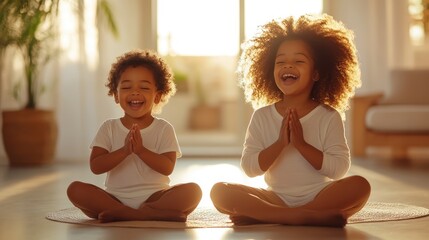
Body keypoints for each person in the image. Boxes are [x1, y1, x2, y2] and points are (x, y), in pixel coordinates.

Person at [210, 14, 371, 228]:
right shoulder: (262, 116)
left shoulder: (328, 116)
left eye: (298, 61)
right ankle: (299, 216)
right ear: (270, 70)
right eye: (281, 62)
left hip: (319, 196)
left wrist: (301, 145)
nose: (288, 66)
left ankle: (270, 215)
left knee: (360, 186)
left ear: (316, 73)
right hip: (274, 198)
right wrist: (280, 144)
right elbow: (249, 168)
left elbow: (339, 169)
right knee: (220, 191)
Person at [67, 49, 202, 223]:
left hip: (155, 197)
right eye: (126, 87)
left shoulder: (163, 128)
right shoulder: (109, 128)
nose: (135, 92)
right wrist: (124, 151)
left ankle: (132, 213)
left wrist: (140, 151)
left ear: (157, 96)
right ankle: (142, 214)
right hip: (115, 198)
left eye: (144, 87)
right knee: (75, 189)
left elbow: (167, 167)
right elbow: (96, 166)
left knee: (193, 191)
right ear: (116, 95)